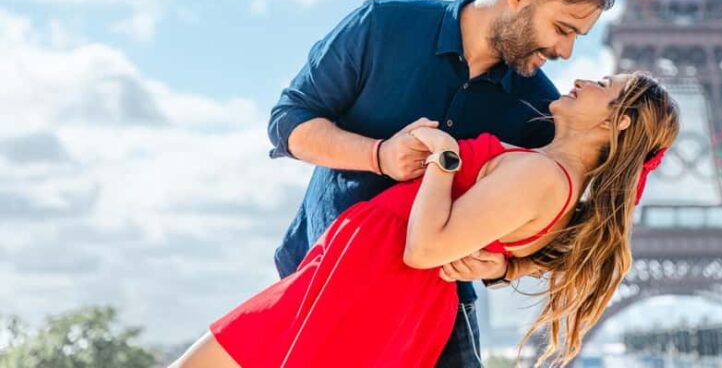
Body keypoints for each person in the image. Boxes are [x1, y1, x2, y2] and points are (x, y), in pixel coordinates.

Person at [266, 0, 615, 365]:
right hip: (324, 282)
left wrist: (508, 268)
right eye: (563, 28)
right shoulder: (384, 25)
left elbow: (576, 224)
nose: (565, 50)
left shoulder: (541, 107)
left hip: (434, 314)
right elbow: (289, 121)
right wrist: (378, 155)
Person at [173, 72, 680, 367]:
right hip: (355, 278)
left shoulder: (544, 177)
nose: (583, 79)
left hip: (369, 287)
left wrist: (444, 156)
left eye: (604, 86)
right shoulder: (550, 176)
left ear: (619, 121)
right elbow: (525, 248)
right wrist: (504, 269)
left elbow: (424, 248)